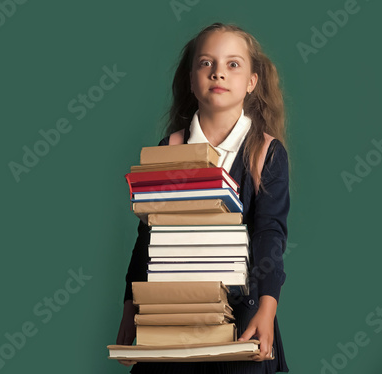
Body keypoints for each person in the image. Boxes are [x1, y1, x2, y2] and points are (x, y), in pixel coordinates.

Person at [116, 22, 291, 374]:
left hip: (240, 311)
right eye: (206, 63)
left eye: (233, 64)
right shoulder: (170, 148)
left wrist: (268, 309)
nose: (218, 74)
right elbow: (150, 235)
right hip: (172, 311)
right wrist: (131, 310)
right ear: (191, 79)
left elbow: (269, 233)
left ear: (252, 82)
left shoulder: (265, 152)